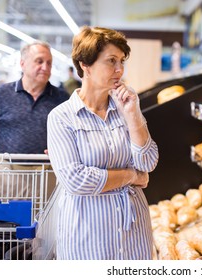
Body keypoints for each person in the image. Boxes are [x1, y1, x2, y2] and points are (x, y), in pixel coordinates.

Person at [47, 26, 159, 260]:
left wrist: (132, 114)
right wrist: (131, 176)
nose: (119, 69)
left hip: (133, 233)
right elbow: (75, 180)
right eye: (111, 61)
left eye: (121, 61)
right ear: (85, 65)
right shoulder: (62, 117)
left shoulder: (125, 109)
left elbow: (147, 163)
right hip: (88, 236)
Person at [0, 41, 69, 200]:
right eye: (39, 61)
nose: (45, 67)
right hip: (9, 172)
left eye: (49, 63)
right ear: (23, 64)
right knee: (7, 221)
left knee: (45, 222)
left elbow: (70, 135)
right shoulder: (1, 94)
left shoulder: (61, 98)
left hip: (47, 172)